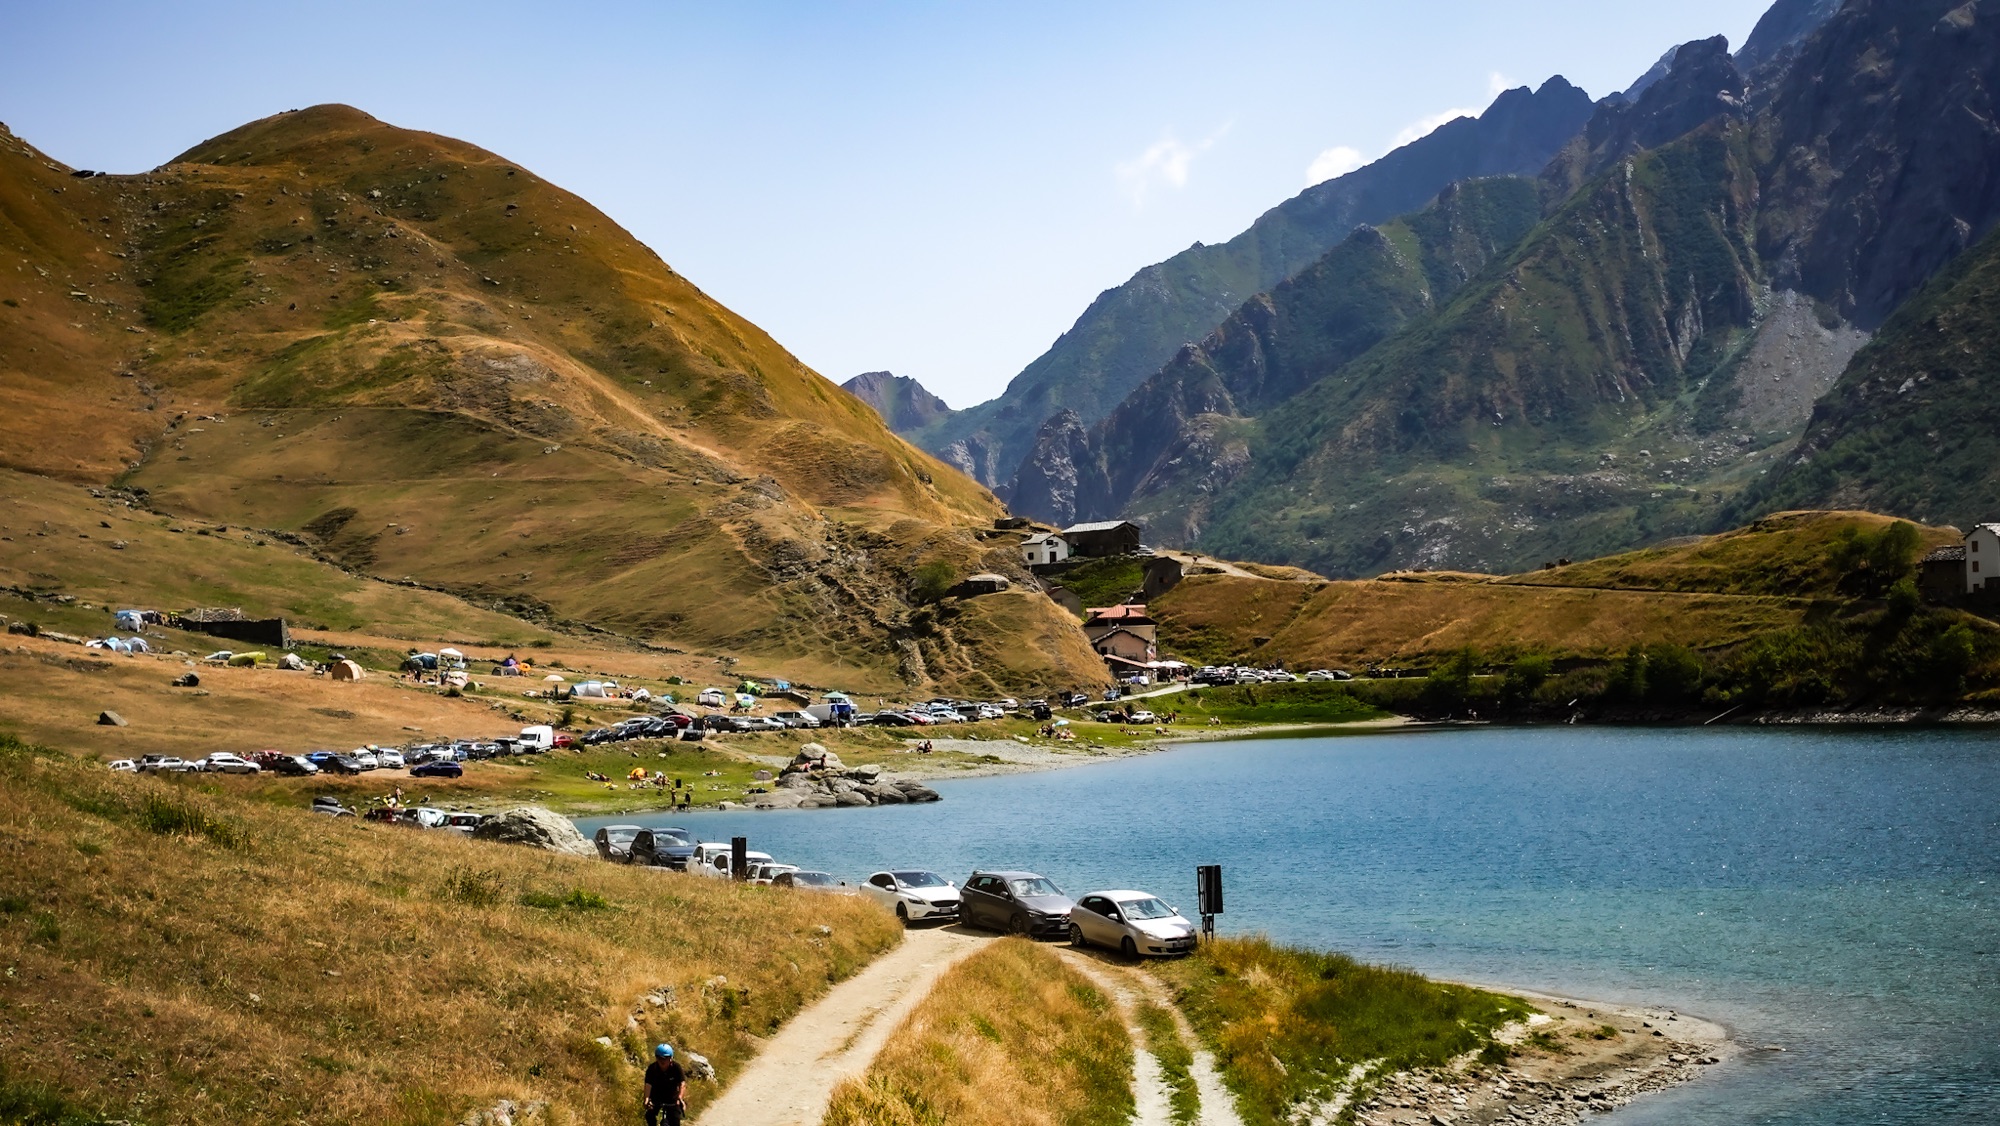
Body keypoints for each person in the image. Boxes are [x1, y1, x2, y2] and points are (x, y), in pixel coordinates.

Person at [643, 1043, 686, 1125]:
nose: (662, 1061)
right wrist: (647, 1099)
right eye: (659, 1058)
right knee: (649, 1116)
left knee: (676, 1119)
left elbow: (682, 1084)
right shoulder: (652, 1069)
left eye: (665, 1058)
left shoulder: (676, 1068)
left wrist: (680, 1098)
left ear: (670, 1058)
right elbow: (648, 1085)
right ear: (656, 1058)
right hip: (656, 1098)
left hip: (672, 1099)